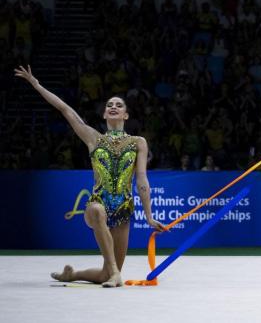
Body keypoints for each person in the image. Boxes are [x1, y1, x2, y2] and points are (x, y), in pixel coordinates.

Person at [13, 65, 166, 287]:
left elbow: (141, 179)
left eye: (119, 105)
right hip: (98, 204)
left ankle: (74, 275)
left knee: (105, 274)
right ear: (104, 114)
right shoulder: (93, 138)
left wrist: (150, 217)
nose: (113, 107)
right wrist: (37, 85)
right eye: (109, 105)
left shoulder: (138, 142)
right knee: (95, 211)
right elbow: (65, 109)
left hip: (123, 209)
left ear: (126, 114)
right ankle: (115, 274)